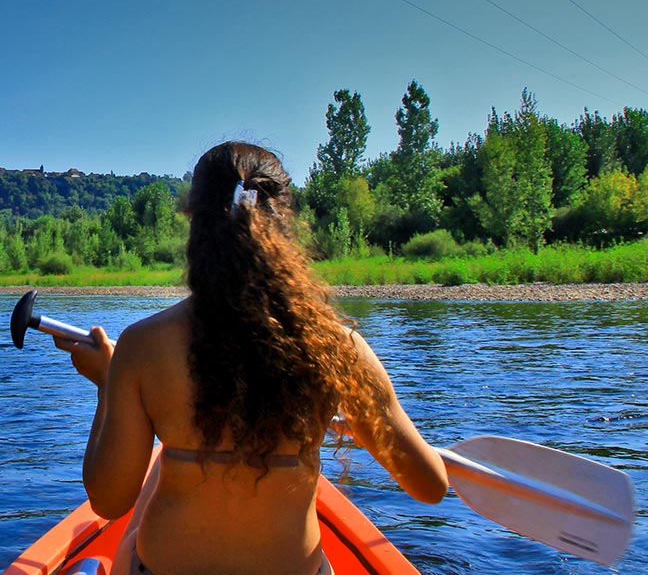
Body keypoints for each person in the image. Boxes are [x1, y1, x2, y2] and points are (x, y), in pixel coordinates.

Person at [52, 142, 448, 575]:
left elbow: (108, 502)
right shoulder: (338, 348)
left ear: (195, 224)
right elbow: (429, 486)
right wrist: (354, 411)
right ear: (284, 225)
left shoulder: (142, 345)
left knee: (126, 534)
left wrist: (109, 386)